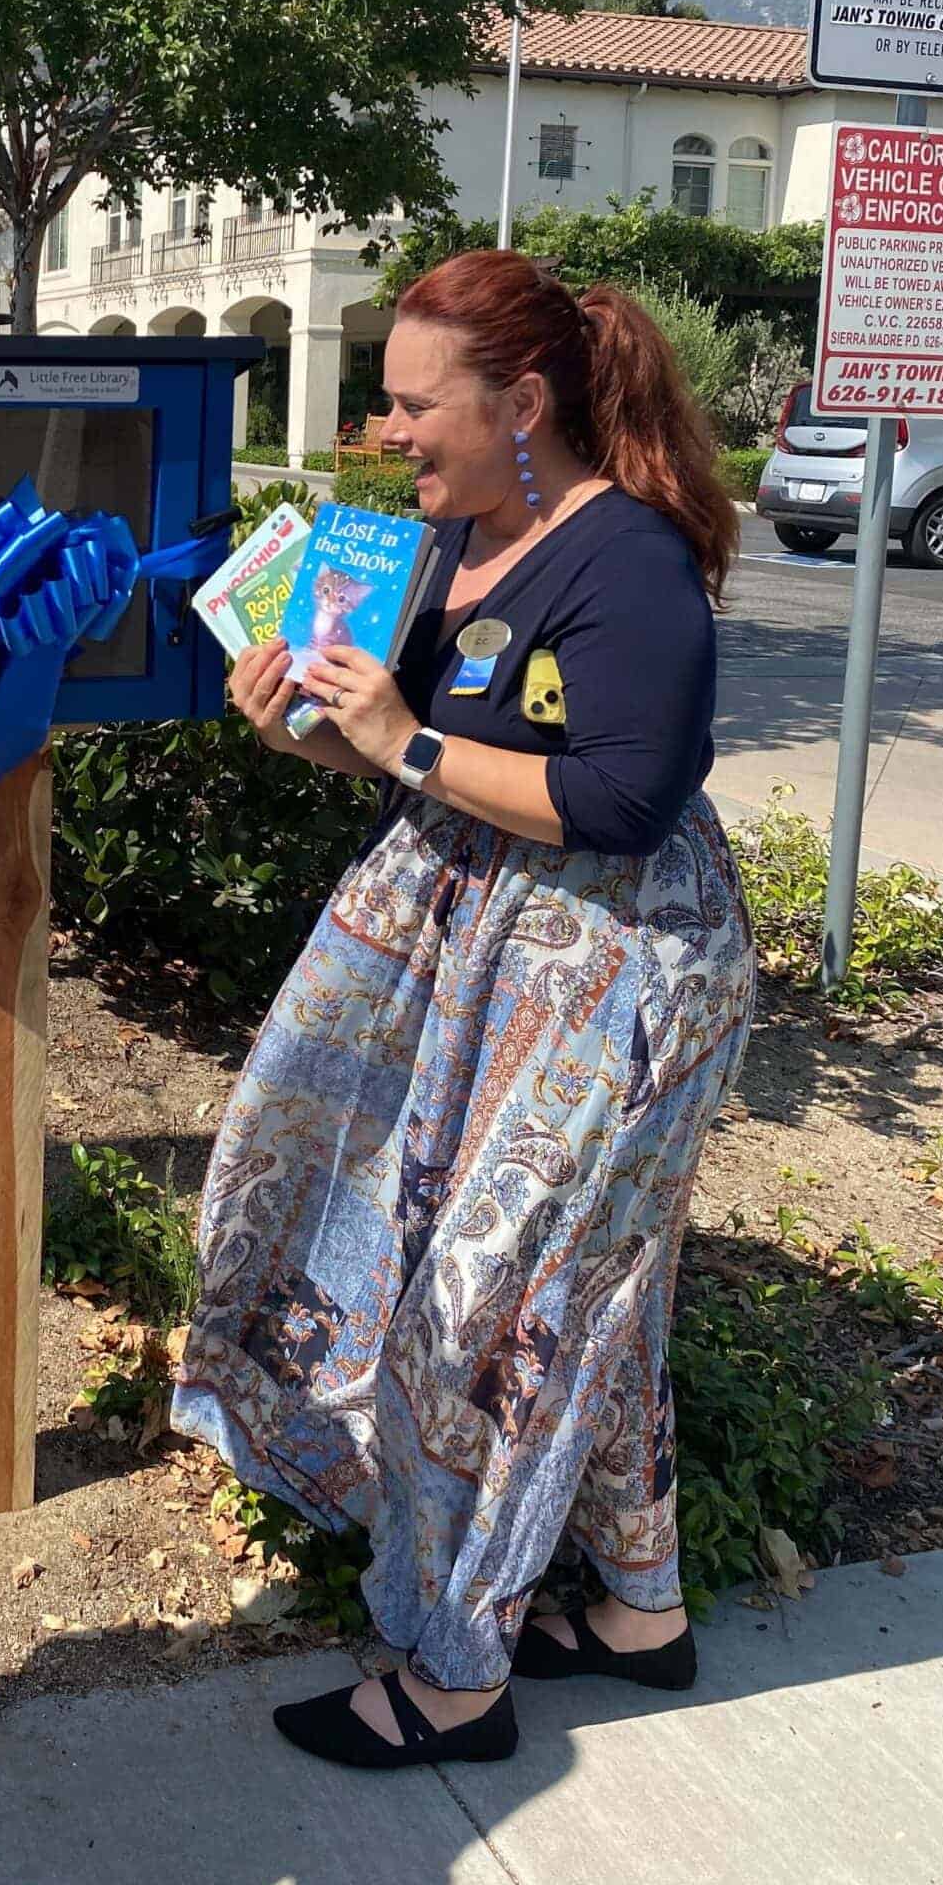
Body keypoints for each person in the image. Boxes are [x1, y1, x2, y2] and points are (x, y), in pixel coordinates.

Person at [173, 249, 756, 1771]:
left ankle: (454, 1678)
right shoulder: (452, 546)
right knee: (578, 1306)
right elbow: (405, 748)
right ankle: (639, 1612)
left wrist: (406, 742)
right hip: (487, 964)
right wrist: (310, 727)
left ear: (527, 403)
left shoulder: (624, 558)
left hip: (619, 985)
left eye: (417, 406)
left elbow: (625, 796)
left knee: (485, 1308)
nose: (391, 434)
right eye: (386, 404)